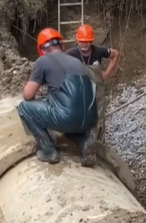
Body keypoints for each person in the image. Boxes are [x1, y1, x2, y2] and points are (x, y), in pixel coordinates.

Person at [18, 28, 98, 167]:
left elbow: (28, 95)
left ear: (41, 49)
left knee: (24, 108)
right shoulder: (77, 62)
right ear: (62, 46)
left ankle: (48, 150)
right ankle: (84, 140)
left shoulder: (43, 61)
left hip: (67, 117)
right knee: (70, 116)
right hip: (90, 120)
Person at [65, 24, 120, 143]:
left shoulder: (99, 51)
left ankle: (99, 145)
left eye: (87, 41)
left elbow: (115, 54)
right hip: (80, 94)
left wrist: (107, 73)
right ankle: (78, 144)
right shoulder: (71, 54)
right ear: (77, 40)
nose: (84, 44)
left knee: (98, 120)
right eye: (82, 41)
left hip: (97, 94)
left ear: (92, 40)